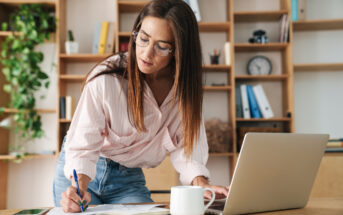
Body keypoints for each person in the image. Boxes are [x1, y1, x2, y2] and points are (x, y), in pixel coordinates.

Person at [53, 0, 229, 212]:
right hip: (84, 172)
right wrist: (78, 189)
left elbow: (187, 145)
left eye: (162, 46)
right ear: (136, 32)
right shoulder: (106, 79)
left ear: (179, 50)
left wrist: (201, 184)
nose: (146, 54)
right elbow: (84, 144)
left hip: (128, 177)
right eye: (143, 39)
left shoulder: (184, 90)